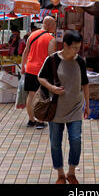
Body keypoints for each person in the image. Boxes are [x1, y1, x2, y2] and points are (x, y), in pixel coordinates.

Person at [38, 30, 90, 185]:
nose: (76, 51)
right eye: (74, 47)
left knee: (75, 140)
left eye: (78, 47)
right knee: (55, 142)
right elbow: (40, 77)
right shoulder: (52, 60)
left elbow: (85, 84)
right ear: (65, 45)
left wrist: (87, 105)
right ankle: (60, 174)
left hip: (75, 108)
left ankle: (71, 172)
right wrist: (52, 88)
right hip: (56, 110)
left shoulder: (80, 61)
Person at [21, 16, 57, 130]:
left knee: (31, 95)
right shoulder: (51, 39)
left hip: (30, 69)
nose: (55, 27)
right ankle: (40, 121)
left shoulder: (32, 35)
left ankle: (31, 120)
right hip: (42, 72)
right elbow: (52, 58)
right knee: (42, 96)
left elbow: (25, 52)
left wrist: (23, 66)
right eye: (54, 24)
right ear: (49, 25)